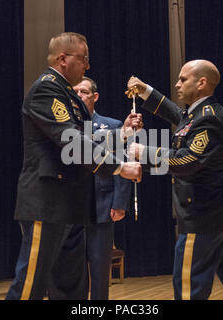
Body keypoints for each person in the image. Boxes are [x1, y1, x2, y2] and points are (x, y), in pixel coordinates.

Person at [5, 32, 141, 300]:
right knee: (31, 285)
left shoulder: (69, 95)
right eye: (84, 58)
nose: (88, 65)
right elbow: (71, 141)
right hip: (48, 202)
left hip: (70, 204)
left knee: (70, 286)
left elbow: (87, 138)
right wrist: (119, 168)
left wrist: (121, 135)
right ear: (63, 58)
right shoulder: (47, 89)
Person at [126, 60, 223, 300]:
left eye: (183, 79)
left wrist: (144, 153)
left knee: (189, 286)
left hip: (201, 217)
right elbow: (175, 114)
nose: (177, 84)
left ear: (201, 83)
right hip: (217, 216)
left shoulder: (209, 118)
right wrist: (145, 90)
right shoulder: (198, 113)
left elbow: (188, 161)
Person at [75, 77, 132, 299]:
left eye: (84, 92)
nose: (79, 96)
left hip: (103, 204)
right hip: (72, 207)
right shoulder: (66, 125)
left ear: (95, 96)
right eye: (75, 92)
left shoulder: (112, 125)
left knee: (99, 265)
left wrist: (119, 203)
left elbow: (121, 166)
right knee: (73, 268)